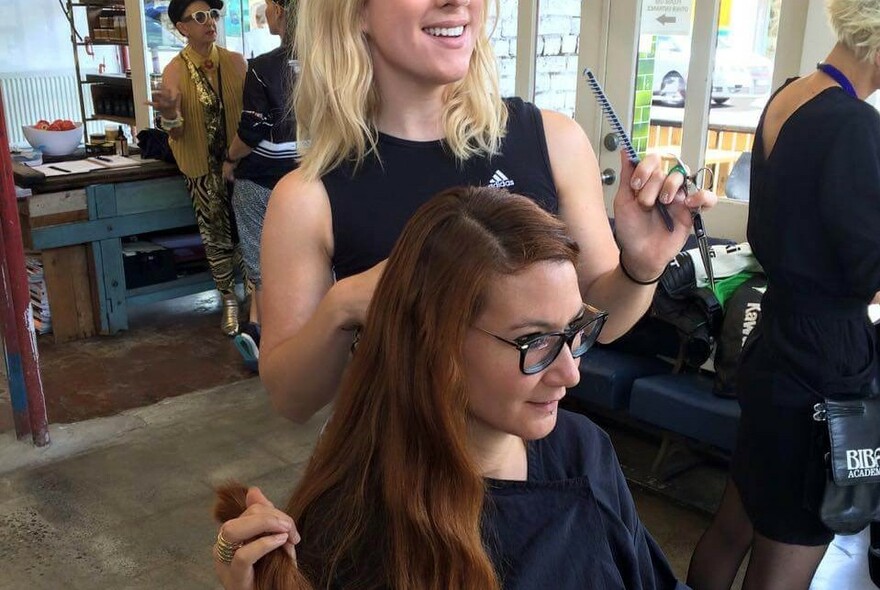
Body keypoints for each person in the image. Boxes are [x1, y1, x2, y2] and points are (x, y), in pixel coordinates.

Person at [259, 0, 717, 424]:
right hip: (402, 479)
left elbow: (603, 325)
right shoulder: (307, 197)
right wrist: (345, 305)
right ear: (355, 10)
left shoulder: (553, 142)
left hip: (531, 463)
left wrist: (641, 265)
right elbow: (291, 400)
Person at [213, 187, 688, 590]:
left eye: (573, 331)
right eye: (535, 342)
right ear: (438, 345)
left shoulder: (583, 448)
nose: (570, 373)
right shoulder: (353, 531)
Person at [687, 2, 880, 589]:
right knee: (789, 554)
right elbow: (870, 267)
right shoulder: (853, 123)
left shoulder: (789, 96)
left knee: (733, 527)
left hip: (777, 342)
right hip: (823, 358)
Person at [150, 0, 248, 335]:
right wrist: (168, 114)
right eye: (200, 17)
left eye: (214, 15)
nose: (210, 22)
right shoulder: (175, 70)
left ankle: (257, 298)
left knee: (250, 233)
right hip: (202, 168)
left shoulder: (236, 62)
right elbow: (175, 130)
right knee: (215, 235)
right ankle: (228, 300)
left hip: (241, 165)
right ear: (182, 28)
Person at [222, 0, 299, 368]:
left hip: (264, 180)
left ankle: (270, 347)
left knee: (261, 266)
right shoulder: (334, 61)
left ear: (281, 11)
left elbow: (251, 132)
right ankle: (255, 329)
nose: (264, 12)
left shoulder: (263, 67)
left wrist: (230, 158)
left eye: (266, 5)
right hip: (312, 179)